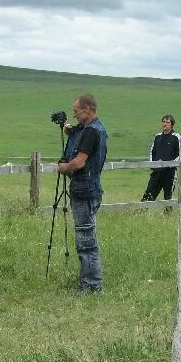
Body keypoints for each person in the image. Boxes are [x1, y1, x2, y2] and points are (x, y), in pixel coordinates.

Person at [56, 94, 107, 294]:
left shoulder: (91, 132)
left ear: (87, 108)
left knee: (86, 239)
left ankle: (92, 284)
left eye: (76, 110)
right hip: (92, 186)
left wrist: (64, 167)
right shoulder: (97, 129)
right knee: (87, 235)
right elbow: (74, 131)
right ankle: (88, 280)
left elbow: (79, 162)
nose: (75, 114)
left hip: (84, 188)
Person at [141, 115, 180, 202]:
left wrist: (169, 164)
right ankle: (141, 213)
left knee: (168, 196)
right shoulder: (157, 137)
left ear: (172, 124)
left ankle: (168, 215)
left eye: (167, 122)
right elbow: (152, 151)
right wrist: (153, 165)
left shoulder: (176, 137)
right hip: (157, 171)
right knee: (149, 193)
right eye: (163, 122)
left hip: (170, 172)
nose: (165, 124)